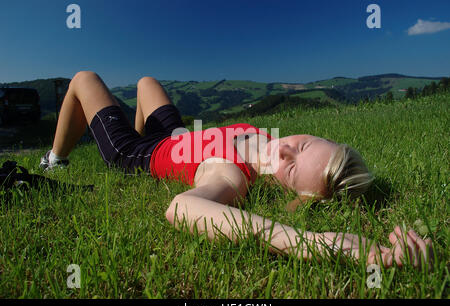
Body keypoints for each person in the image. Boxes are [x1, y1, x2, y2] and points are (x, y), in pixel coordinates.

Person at [40, 71, 433, 268]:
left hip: (137, 153)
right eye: (303, 144)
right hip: (177, 136)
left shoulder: (231, 174)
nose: (284, 151)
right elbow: (281, 149)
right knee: (145, 82)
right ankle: (134, 128)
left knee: (83, 79)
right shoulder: (267, 138)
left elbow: (181, 208)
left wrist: (309, 242)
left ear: (292, 195)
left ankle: (55, 161)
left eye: (291, 169)